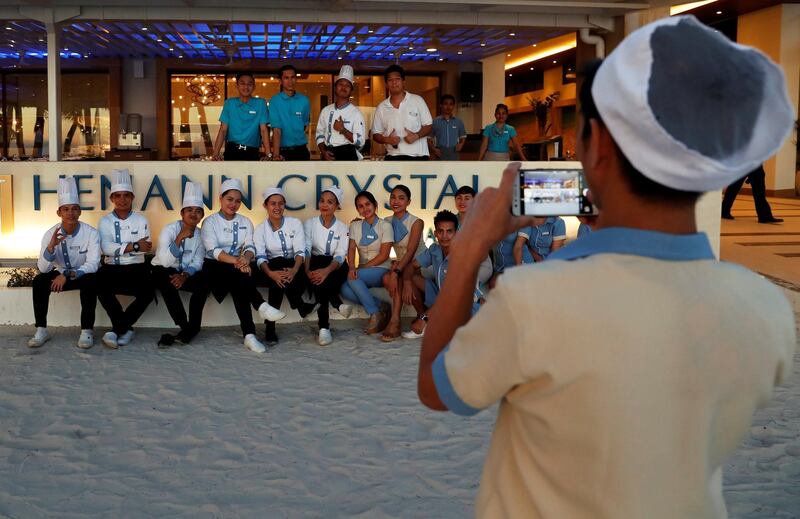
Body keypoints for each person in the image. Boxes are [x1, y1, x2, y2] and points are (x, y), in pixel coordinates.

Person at [417, 16, 796, 517]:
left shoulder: (536, 299)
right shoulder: (765, 309)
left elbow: (438, 388)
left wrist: (468, 249)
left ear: (596, 146)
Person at [200, 178, 285, 354]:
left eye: (237, 201)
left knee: (240, 283)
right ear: (220, 199)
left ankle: (250, 335)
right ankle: (259, 309)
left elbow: (250, 246)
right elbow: (213, 250)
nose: (234, 204)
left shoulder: (246, 221)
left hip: (237, 268)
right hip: (213, 268)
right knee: (239, 278)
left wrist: (246, 258)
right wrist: (239, 262)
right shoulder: (210, 222)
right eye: (229, 199)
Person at [29, 177, 101, 349]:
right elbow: (43, 268)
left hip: (83, 273)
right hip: (60, 273)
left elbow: (93, 263)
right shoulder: (49, 234)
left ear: (80, 212)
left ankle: (87, 331)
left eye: (75, 209)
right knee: (39, 282)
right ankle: (41, 329)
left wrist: (67, 275)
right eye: (66, 209)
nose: (71, 213)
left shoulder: (91, 233)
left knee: (91, 282)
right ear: (59, 213)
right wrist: (51, 247)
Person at [401, 210, 491, 339]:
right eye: (441, 231)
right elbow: (411, 266)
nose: (444, 236)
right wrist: (407, 283)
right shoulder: (434, 250)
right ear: (436, 233)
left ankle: (429, 323)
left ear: (456, 233)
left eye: (449, 231)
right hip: (441, 296)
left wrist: (424, 318)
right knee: (413, 277)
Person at [97, 169, 155, 349]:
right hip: (111, 268)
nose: (122, 200)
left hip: (136, 268)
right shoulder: (104, 221)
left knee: (148, 294)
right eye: (118, 196)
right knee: (100, 288)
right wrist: (134, 246)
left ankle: (116, 330)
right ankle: (126, 328)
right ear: (112, 199)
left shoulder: (141, 220)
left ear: (132, 197)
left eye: (126, 196)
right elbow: (106, 248)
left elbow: (145, 250)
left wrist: (122, 248)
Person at [253, 186, 317, 345]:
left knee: (280, 273)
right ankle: (300, 305)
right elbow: (260, 256)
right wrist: (271, 273)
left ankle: (270, 329)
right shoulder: (260, 229)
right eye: (273, 203)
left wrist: (294, 270)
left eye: (280, 203)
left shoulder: (294, 223)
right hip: (270, 269)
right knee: (277, 269)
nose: (277, 207)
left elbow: (300, 251)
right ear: (265, 206)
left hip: (295, 267)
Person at [151, 182, 208, 347]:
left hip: (184, 272)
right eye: (189, 210)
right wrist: (179, 238)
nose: (193, 214)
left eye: (198, 211)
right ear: (182, 213)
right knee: (166, 281)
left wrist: (184, 275)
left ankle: (194, 327)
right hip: (162, 269)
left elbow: (198, 261)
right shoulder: (169, 230)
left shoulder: (201, 235)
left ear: (202, 215)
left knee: (204, 284)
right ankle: (186, 327)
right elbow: (165, 261)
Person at [303, 186, 352, 346]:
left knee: (323, 280)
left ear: (337, 206)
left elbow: (340, 254)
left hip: (336, 266)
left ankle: (324, 328)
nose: (325, 204)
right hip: (315, 263)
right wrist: (307, 270)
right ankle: (335, 307)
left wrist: (326, 271)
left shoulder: (343, 227)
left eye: (330, 202)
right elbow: (307, 249)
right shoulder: (309, 224)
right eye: (322, 200)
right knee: (319, 279)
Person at [341, 190, 393, 333]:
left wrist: (361, 268)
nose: (365, 208)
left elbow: (384, 255)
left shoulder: (385, 226)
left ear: (375, 205)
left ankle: (374, 313)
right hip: (363, 270)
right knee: (344, 289)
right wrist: (352, 267)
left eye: (368, 204)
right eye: (361, 206)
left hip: (381, 269)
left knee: (353, 277)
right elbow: (351, 249)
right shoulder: (354, 226)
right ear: (358, 210)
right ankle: (381, 306)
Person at [380, 185, 426, 342]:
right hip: (402, 264)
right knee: (387, 278)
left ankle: (419, 316)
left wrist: (396, 271)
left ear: (408, 202)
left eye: (401, 198)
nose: (396, 201)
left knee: (404, 278)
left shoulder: (416, 222)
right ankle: (396, 320)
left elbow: (411, 252)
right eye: (393, 197)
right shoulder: (386, 222)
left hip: (420, 264)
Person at [372, 64, 433, 161]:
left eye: (397, 79)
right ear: (386, 84)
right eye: (390, 80)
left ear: (403, 82)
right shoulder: (382, 107)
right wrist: (387, 139)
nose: (394, 83)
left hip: (418, 156)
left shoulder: (417, 100)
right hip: (393, 156)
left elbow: (429, 125)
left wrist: (416, 136)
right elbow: (376, 134)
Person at [211, 72, 271, 161]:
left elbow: (263, 130)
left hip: (252, 152)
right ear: (237, 86)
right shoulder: (229, 103)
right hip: (232, 150)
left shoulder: (260, 103)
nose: (246, 87)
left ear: (254, 86)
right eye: (242, 83)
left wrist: (268, 154)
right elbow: (223, 130)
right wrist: (215, 153)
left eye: (249, 84)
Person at [315, 65, 366, 161]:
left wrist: (343, 130)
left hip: (347, 155)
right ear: (335, 87)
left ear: (351, 90)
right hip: (327, 154)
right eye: (341, 84)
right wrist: (323, 151)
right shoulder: (326, 110)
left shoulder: (356, 113)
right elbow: (319, 135)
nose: (344, 87)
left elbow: (360, 141)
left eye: (347, 85)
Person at [269, 64, 311, 161]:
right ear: (280, 81)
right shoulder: (274, 101)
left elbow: (305, 125)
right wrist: (276, 155)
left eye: (293, 77)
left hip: (302, 151)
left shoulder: (304, 100)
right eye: (286, 78)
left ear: (296, 79)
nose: (290, 81)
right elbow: (276, 130)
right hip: (283, 152)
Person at [429, 94, 466, 161]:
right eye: (445, 104)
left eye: (451, 104)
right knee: (440, 171)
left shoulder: (458, 122)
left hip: (454, 152)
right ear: (441, 105)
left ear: (453, 106)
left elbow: (463, 136)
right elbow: (429, 138)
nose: (448, 107)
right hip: (440, 152)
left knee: (454, 171)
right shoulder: (435, 122)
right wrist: (434, 149)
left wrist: (461, 145)